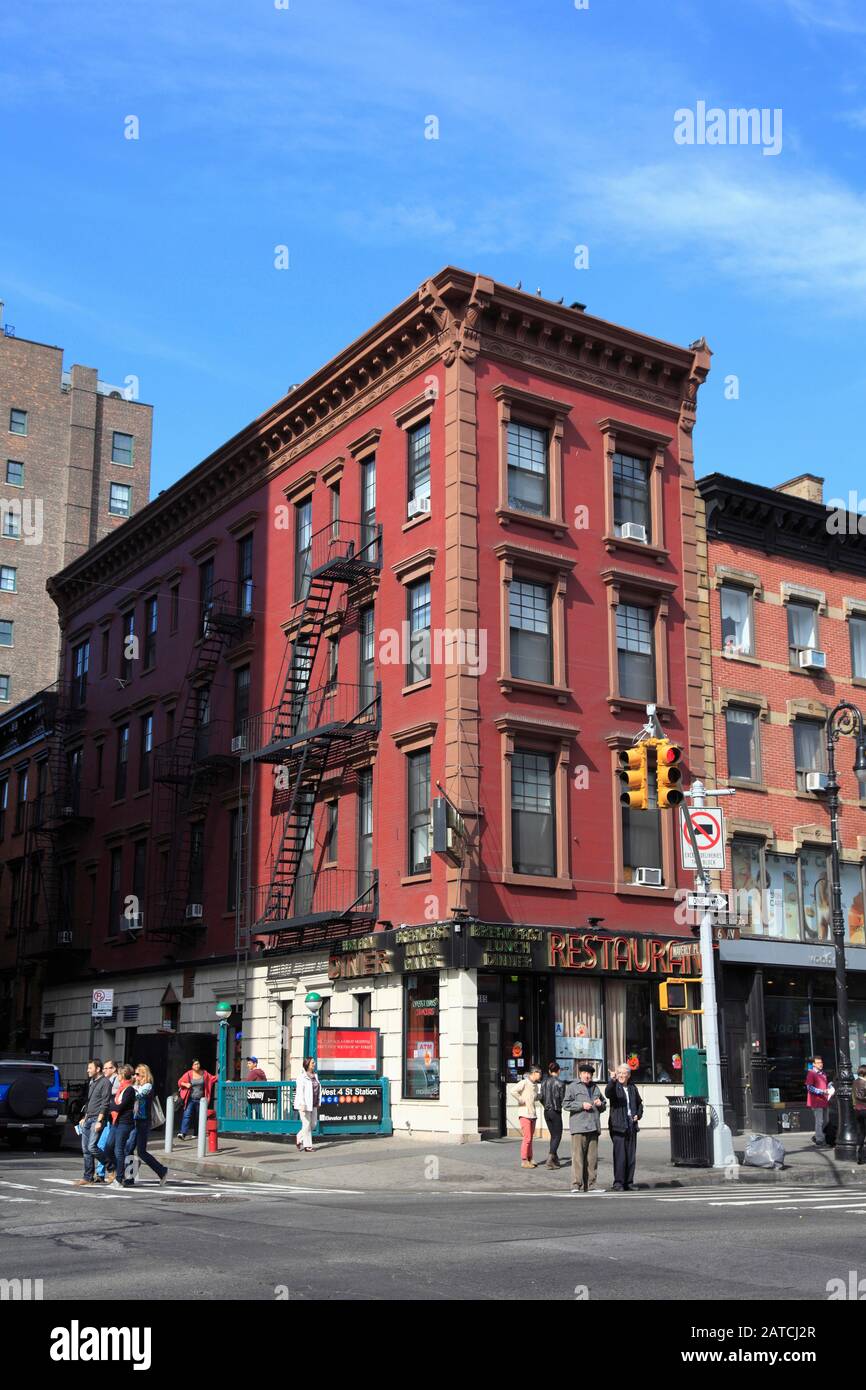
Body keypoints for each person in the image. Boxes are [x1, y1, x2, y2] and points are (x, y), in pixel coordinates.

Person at [563, 1062, 607, 1193]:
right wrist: (581, 1105)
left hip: (593, 1126)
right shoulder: (572, 1087)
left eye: (590, 1074)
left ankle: (591, 1185)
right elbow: (566, 1104)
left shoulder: (595, 1088)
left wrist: (600, 1104)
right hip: (579, 1127)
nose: (587, 1076)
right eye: (585, 1073)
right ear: (580, 1074)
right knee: (578, 1158)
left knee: (592, 1159)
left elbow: (604, 1104)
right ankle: (576, 1185)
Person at [125, 1064, 168, 1185]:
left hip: (143, 1122)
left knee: (141, 1152)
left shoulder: (147, 1086)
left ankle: (162, 1170)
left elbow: (138, 1096)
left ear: (144, 1075)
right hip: (134, 1120)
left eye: (137, 1074)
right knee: (128, 1148)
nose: (135, 1076)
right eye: (135, 1074)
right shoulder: (136, 1086)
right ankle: (130, 1177)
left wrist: (130, 1088)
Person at [74, 1060, 113, 1186]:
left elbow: (105, 1103)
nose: (87, 1070)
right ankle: (88, 1177)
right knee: (86, 1149)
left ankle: (111, 1167)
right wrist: (85, 1117)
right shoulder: (92, 1082)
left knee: (92, 1147)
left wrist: (100, 1121)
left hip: (97, 1119)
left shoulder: (105, 1082)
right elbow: (90, 1102)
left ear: (98, 1069)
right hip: (88, 1118)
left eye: (90, 1068)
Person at [605, 1063, 643, 1192]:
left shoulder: (632, 1088)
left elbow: (639, 1104)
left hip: (631, 1124)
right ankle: (618, 1183)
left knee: (631, 1156)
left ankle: (629, 1182)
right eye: (619, 1073)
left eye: (624, 1073)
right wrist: (612, 1080)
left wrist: (638, 1115)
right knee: (620, 1156)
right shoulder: (615, 1086)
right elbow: (608, 1093)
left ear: (629, 1075)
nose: (621, 1075)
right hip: (618, 1125)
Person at [111, 1065, 137, 1187]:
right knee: (115, 1148)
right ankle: (123, 1174)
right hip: (118, 1121)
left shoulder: (129, 1089)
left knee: (122, 1150)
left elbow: (120, 1106)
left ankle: (121, 1177)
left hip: (127, 1123)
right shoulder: (121, 1088)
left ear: (122, 1075)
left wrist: (111, 1105)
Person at [512, 1064, 543, 1169]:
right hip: (524, 1113)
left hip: (532, 1114)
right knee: (527, 1138)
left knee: (530, 1138)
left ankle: (530, 1158)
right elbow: (513, 1091)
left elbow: (534, 1097)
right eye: (539, 1073)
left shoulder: (534, 1085)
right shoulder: (524, 1082)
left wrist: (541, 1095)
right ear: (534, 1073)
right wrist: (521, 1099)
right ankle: (524, 1160)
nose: (540, 1076)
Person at [178, 1059, 216, 1140]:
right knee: (187, 1115)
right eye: (195, 1064)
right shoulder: (188, 1074)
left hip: (201, 1100)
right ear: (192, 1066)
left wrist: (224, 1080)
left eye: (198, 1064)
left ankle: (196, 1133)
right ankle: (183, 1133)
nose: (197, 1065)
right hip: (190, 1099)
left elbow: (213, 1078)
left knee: (199, 1116)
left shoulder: (204, 1073)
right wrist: (185, 1084)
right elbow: (180, 1082)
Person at [95, 1059, 120, 1184]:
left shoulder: (117, 1080)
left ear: (114, 1069)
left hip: (112, 1118)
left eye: (107, 1068)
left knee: (103, 1145)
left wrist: (105, 1093)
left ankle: (106, 1172)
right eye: (103, 1068)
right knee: (101, 1145)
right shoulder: (106, 1080)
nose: (104, 1070)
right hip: (105, 1117)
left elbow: (120, 1093)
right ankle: (101, 1173)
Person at [539, 1062, 566, 1169]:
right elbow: (562, 1099)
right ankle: (550, 1159)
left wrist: (546, 1105)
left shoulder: (544, 1082)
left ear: (550, 1071)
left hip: (546, 1111)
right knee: (557, 1135)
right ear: (558, 1071)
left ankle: (554, 1158)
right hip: (555, 1111)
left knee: (553, 1135)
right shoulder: (560, 1083)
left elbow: (541, 1097)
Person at [294, 1056, 320, 1152]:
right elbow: (300, 1092)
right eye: (312, 1063)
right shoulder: (301, 1077)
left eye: (314, 1062)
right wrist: (302, 1104)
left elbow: (318, 1090)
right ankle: (307, 1146)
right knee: (306, 1124)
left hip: (313, 1103)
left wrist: (319, 1101)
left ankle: (299, 1137)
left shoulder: (315, 1076)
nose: (314, 1064)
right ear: (307, 1064)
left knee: (313, 1124)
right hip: (304, 1104)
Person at [806, 1055, 832, 1146]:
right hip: (816, 1101)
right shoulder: (811, 1073)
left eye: (821, 1062)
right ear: (813, 1064)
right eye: (818, 1063)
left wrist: (829, 1088)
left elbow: (824, 1086)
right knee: (819, 1121)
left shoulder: (823, 1074)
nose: (820, 1064)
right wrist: (821, 1091)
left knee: (826, 1120)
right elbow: (809, 1087)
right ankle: (819, 1139)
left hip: (824, 1100)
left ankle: (818, 1135)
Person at [854, 1065, 866, 1165]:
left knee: (861, 1132)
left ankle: (860, 1155)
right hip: (865, 1109)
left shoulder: (855, 1082)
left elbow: (854, 1096)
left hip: (858, 1110)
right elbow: (861, 1096)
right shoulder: (864, 1083)